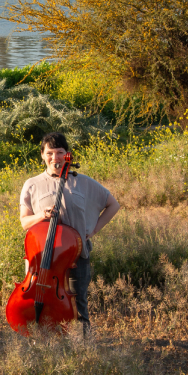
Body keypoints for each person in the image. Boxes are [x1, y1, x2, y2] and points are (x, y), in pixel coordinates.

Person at [19, 132, 121, 335]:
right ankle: (44, 342)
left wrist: (93, 230)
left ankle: (82, 345)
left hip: (75, 255)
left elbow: (113, 205)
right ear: (42, 155)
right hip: (42, 259)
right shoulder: (32, 184)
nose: (55, 158)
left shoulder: (83, 182)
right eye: (50, 152)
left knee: (78, 302)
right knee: (40, 300)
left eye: (59, 152)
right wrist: (41, 215)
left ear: (67, 155)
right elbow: (24, 222)